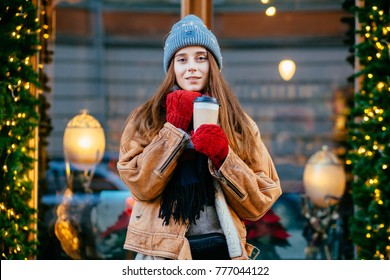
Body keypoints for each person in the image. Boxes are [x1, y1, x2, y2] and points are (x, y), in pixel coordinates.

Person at [117, 14, 282, 260]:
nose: (191, 67)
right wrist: (173, 129)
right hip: (162, 256)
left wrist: (224, 156)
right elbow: (140, 185)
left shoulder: (238, 122)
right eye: (182, 59)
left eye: (200, 58)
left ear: (212, 65)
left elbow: (261, 201)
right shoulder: (146, 118)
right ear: (172, 67)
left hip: (223, 254)